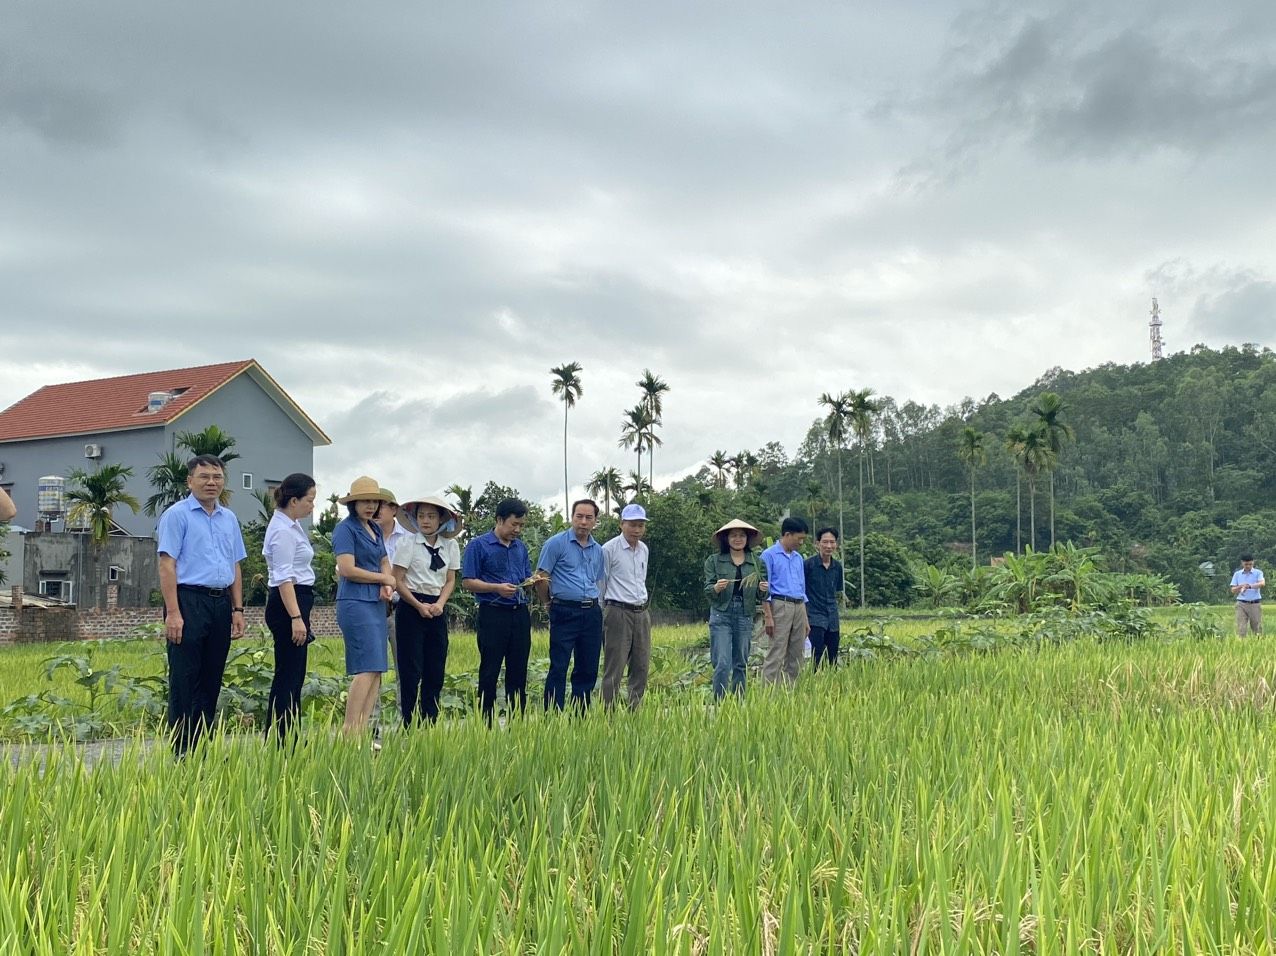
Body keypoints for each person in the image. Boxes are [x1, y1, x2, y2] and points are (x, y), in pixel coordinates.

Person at [156, 455, 248, 754]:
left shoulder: (229, 518)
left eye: (217, 477)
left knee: (211, 677)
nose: (212, 482)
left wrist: (237, 609)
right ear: (190, 481)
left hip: (220, 602)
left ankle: (202, 748)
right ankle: (181, 751)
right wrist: (173, 613)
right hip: (188, 601)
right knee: (185, 678)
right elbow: (167, 565)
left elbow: (235, 566)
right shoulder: (177, 515)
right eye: (204, 476)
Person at [332, 476, 396, 739]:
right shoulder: (345, 529)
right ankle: (350, 730)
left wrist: (387, 582)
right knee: (366, 666)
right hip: (355, 602)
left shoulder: (374, 528)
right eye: (365, 501)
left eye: (374, 501)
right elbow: (347, 569)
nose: (370, 506)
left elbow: (383, 560)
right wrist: (383, 579)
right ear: (353, 502)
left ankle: (363, 727)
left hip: (376, 603)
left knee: (378, 667)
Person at [392, 493, 462, 725]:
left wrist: (440, 604)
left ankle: (430, 720)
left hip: (437, 607)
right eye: (421, 516)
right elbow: (398, 580)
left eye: (431, 516)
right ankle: (409, 722)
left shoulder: (450, 546)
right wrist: (418, 605)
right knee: (411, 669)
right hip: (411, 607)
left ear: (441, 520)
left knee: (435, 667)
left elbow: (450, 579)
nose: (426, 521)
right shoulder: (407, 543)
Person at [461, 498, 532, 723]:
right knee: (490, 669)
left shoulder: (520, 547)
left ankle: (516, 723)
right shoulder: (478, 545)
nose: (517, 530)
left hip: (519, 613)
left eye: (521, 525)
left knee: (518, 670)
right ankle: (486, 723)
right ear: (499, 520)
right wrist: (496, 589)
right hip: (492, 613)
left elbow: (525, 576)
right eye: (513, 524)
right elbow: (468, 582)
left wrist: (531, 582)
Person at [536, 498, 606, 711]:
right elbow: (541, 577)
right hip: (564, 610)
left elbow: (597, 580)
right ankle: (553, 715)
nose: (583, 522)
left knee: (588, 666)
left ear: (595, 521)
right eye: (579, 516)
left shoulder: (598, 550)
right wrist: (548, 604)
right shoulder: (555, 544)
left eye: (588, 518)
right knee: (559, 665)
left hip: (592, 612)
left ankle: (580, 715)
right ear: (572, 517)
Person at [262, 473, 318, 741]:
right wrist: (296, 617)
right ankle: (282, 737)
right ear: (294, 500)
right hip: (289, 602)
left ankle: (289, 734)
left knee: (294, 673)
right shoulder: (283, 531)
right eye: (309, 500)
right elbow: (283, 577)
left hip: (297, 599)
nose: (312, 506)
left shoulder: (291, 526)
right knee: (288, 673)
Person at [703, 519, 769, 699]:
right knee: (722, 663)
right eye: (734, 535)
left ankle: (739, 703)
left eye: (742, 535)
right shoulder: (714, 561)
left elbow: (761, 595)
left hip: (745, 614)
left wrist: (763, 590)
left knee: (741, 662)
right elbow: (708, 591)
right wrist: (716, 588)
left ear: (747, 539)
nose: (738, 539)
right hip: (721, 613)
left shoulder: (757, 562)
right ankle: (719, 703)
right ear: (726, 538)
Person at [601, 503, 651, 709]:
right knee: (615, 665)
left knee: (641, 664)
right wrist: (604, 613)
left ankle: (635, 711)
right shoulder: (608, 549)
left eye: (640, 525)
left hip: (641, 611)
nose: (637, 530)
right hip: (617, 610)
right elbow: (601, 583)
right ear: (621, 524)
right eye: (632, 525)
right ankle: (609, 713)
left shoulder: (644, 550)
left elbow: (641, 580)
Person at [760, 517, 810, 685]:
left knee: (797, 652)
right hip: (780, 605)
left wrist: (805, 619)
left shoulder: (798, 558)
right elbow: (764, 588)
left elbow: (802, 589)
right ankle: (767, 693)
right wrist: (768, 615)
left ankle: (790, 692)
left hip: (799, 606)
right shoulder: (768, 556)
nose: (801, 542)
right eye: (799, 538)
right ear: (788, 535)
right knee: (777, 650)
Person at [804, 527, 843, 670]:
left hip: (832, 616)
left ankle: (830, 684)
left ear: (836, 544)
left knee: (832, 656)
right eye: (825, 542)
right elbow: (802, 591)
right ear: (817, 543)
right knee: (816, 655)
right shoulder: (808, 565)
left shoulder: (837, 567)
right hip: (814, 616)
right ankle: (815, 685)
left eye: (832, 542)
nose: (829, 546)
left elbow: (837, 591)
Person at [1231, 553, 1265, 636]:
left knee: (1257, 628)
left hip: (1254, 604)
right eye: (1246, 564)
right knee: (1241, 628)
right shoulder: (1237, 574)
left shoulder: (1258, 573)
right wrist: (1241, 586)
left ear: (1253, 562)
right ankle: (1242, 646)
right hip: (1241, 604)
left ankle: (1259, 645)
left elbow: (1262, 583)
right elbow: (1233, 590)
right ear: (1242, 563)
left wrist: (1249, 586)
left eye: (1250, 564)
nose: (1248, 566)